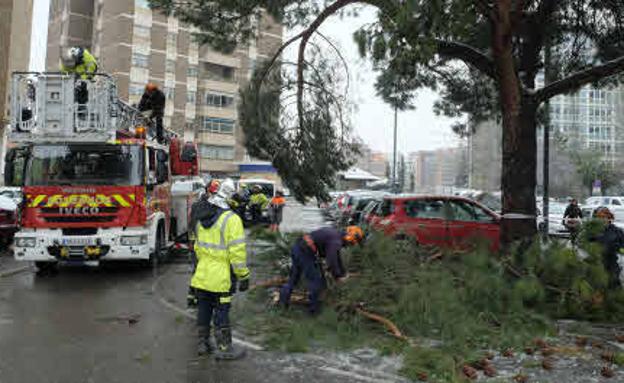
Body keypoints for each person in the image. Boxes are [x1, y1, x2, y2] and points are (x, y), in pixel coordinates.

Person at [190, 178, 249, 359]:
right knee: (222, 310)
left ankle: (203, 344)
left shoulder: (202, 218)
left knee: (204, 308)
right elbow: (237, 252)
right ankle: (224, 349)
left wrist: (205, 264)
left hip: (202, 274)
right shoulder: (231, 220)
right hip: (221, 276)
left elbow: (197, 248)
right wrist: (243, 275)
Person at [279, 226, 364, 315]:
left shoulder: (335, 235)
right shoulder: (336, 241)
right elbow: (331, 260)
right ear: (350, 238)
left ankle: (282, 305)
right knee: (316, 282)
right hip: (305, 253)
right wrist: (337, 276)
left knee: (293, 279)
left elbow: (337, 257)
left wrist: (343, 273)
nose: (351, 246)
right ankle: (313, 313)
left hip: (298, 248)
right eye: (353, 243)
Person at [592, 207, 623, 289]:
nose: (602, 220)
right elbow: (582, 245)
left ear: (609, 218)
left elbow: (622, 247)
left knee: (613, 286)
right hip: (595, 265)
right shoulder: (592, 231)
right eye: (599, 217)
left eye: (604, 217)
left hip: (612, 264)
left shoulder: (617, 231)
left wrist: (618, 248)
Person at [60, 46, 99, 111]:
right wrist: (66, 76)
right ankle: (70, 106)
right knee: (71, 89)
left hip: (85, 75)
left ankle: (82, 107)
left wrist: (85, 77)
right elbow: (65, 70)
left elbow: (92, 66)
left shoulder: (85, 56)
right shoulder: (70, 60)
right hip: (77, 76)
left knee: (82, 88)